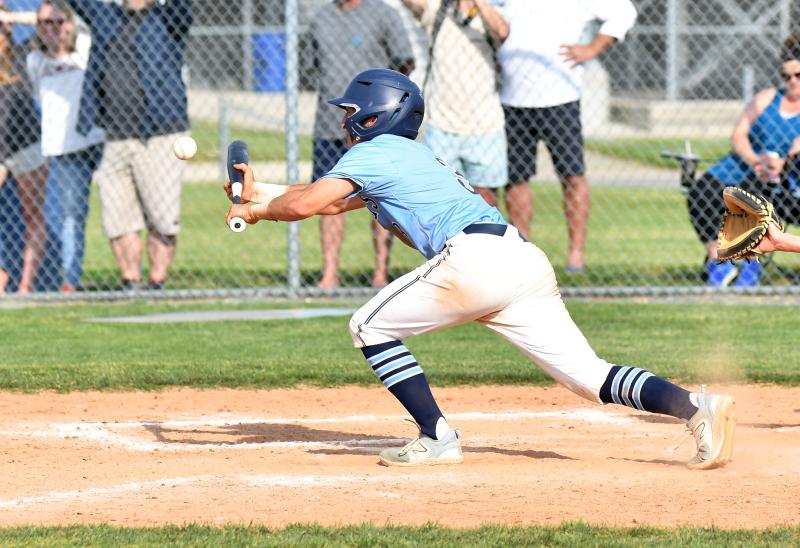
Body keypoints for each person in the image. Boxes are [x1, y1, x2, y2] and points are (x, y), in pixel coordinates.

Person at [224, 68, 736, 470]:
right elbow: (325, 202)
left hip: (476, 261)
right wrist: (257, 196)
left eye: (353, 111)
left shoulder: (379, 152)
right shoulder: (402, 157)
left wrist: (259, 208)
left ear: (377, 116)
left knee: (368, 325)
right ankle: (697, 407)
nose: (345, 121)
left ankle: (435, 436)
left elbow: (307, 205)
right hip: (518, 260)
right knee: (589, 377)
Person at [495, 0, 637, 273]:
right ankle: (524, 254)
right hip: (512, 100)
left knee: (572, 176)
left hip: (560, 99)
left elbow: (624, 12)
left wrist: (593, 49)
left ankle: (575, 256)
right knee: (516, 179)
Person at [66, 0, 192, 290]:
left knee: (162, 217)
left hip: (160, 135)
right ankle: (130, 281)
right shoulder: (106, 16)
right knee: (118, 216)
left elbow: (183, 6)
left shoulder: (168, 18)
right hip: (115, 135)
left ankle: (157, 282)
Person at [309, 0, 414, 288]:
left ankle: (381, 272)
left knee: (381, 196)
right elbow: (310, 66)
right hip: (330, 126)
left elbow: (406, 60)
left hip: (375, 127)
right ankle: (330, 274)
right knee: (327, 195)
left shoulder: (384, 14)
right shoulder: (320, 18)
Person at [686, 34, 800, 287]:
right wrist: (754, 160)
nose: (791, 81)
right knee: (701, 192)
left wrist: (784, 163)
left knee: (757, 200)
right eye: (786, 76)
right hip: (744, 165)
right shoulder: (768, 97)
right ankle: (721, 261)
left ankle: (750, 264)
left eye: (797, 75)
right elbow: (739, 134)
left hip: (784, 177)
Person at [27, 0, 105, 294]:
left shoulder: (84, 46)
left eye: (58, 22)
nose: (52, 29)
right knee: (63, 216)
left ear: (70, 24)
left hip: (90, 140)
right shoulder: (36, 60)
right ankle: (64, 280)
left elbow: (88, 18)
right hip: (58, 147)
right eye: (45, 23)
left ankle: (75, 281)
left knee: (86, 213)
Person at [400, 0, 508, 207]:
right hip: (442, 125)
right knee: (441, 201)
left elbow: (502, 31)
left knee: (486, 202)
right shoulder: (438, 10)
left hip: (486, 125)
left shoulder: (491, 12)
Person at [0, 5, 50, 294]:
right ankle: (3, 274)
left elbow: (48, 22)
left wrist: (10, 17)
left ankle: (26, 285)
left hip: (25, 143)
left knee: (32, 214)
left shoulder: (23, 53)